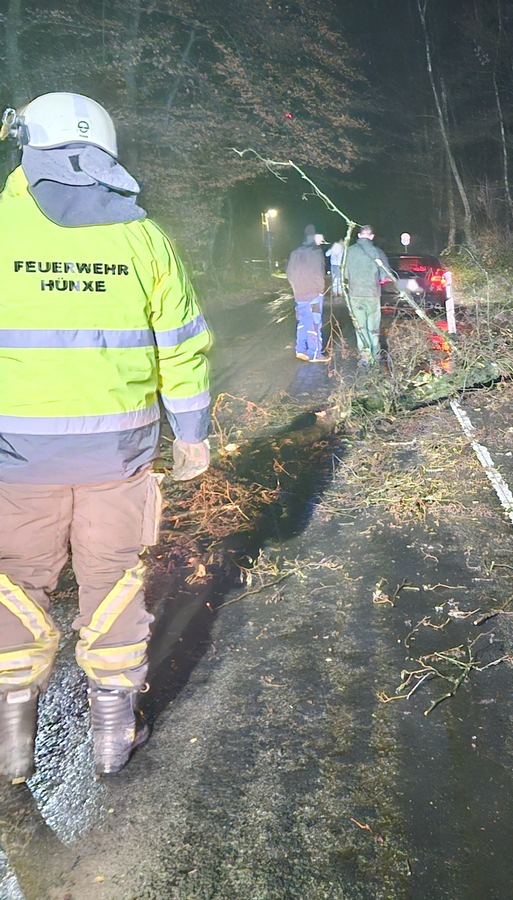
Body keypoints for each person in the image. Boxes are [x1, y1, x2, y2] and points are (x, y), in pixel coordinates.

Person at [0, 92, 213, 778]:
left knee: (11, 586)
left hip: (14, 461)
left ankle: (10, 745)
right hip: (117, 461)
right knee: (115, 586)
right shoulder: (144, 238)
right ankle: (112, 742)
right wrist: (192, 435)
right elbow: (182, 347)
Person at [343, 225, 393, 367]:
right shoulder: (378, 252)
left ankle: (365, 357)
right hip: (372, 295)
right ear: (372, 237)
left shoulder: (349, 252)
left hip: (356, 295)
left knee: (360, 327)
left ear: (358, 236)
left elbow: (345, 274)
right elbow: (386, 276)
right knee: (373, 327)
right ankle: (376, 354)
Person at [285, 224, 330, 362]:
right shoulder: (316, 253)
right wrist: (320, 291)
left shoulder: (294, 253)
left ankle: (300, 350)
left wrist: (296, 289)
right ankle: (315, 353)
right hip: (314, 295)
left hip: (300, 295)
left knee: (303, 321)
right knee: (314, 323)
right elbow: (319, 273)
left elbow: (289, 274)